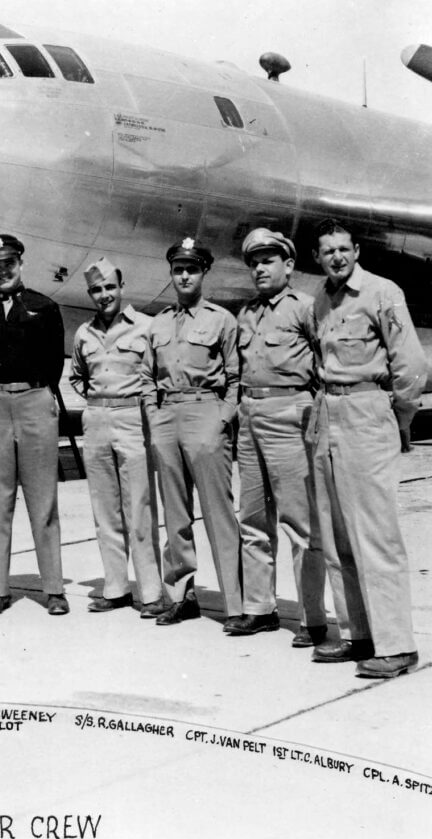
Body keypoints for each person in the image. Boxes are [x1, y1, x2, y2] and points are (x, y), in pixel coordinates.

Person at [308, 219, 425, 677]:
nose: (336, 257)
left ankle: (397, 645)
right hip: (328, 413)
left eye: (343, 249)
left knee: (375, 535)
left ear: (356, 251)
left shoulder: (382, 292)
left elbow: (410, 363)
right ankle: (359, 635)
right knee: (337, 537)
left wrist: (400, 416)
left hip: (366, 411)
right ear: (317, 257)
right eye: (327, 251)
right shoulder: (320, 298)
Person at [229, 230, 326, 644]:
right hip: (250, 415)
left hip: (291, 414)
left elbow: (324, 367)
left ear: (288, 265)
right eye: (254, 262)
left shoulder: (307, 308)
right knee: (251, 518)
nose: (260, 268)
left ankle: (312, 618)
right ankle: (259, 608)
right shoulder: (245, 313)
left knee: (299, 522)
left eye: (268, 260)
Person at [141, 238, 242, 627]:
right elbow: (148, 377)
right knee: (175, 515)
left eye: (192, 269)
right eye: (178, 269)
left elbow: (234, 376)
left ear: (204, 273)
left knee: (219, 513)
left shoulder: (221, 319)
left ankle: (237, 603)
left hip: (205, 413)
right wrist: (153, 418)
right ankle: (182, 596)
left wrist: (222, 418)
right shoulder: (159, 323)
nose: (184, 275)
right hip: (167, 417)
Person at [0, 234, 67, 616]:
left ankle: (54, 588)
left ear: (21, 264)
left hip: (35, 400)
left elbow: (55, 361)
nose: (3, 270)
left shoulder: (45, 306)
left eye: (9, 263)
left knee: (43, 499)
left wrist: (36, 395)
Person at [69, 257, 165, 617]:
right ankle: (116, 587)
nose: (104, 295)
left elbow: (158, 373)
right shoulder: (83, 333)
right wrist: (99, 402)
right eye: (97, 289)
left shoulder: (146, 327)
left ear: (121, 287)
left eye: (110, 287)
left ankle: (152, 591)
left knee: (138, 506)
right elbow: (78, 376)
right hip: (96, 419)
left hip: (132, 418)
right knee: (105, 509)